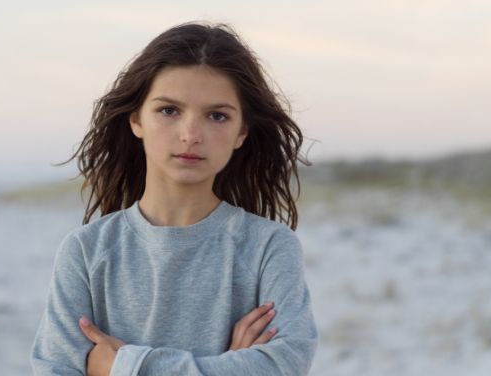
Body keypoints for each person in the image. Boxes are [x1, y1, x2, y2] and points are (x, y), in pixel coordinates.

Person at [30, 21, 319, 375]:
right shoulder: (86, 251)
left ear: (241, 132)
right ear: (136, 119)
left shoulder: (269, 248)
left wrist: (126, 367)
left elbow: (284, 366)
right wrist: (228, 366)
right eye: (169, 110)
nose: (191, 134)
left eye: (217, 115)